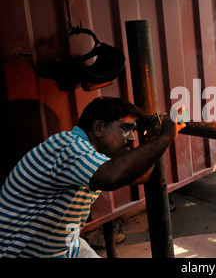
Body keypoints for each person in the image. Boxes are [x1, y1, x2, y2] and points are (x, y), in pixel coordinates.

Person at [0, 96, 184, 258]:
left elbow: (139, 176)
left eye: (133, 131)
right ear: (98, 128)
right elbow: (112, 177)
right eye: (125, 129)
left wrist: (153, 140)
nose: (131, 138)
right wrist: (166, 137)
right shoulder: (69, 147)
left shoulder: (91, 154)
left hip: (65, 249)